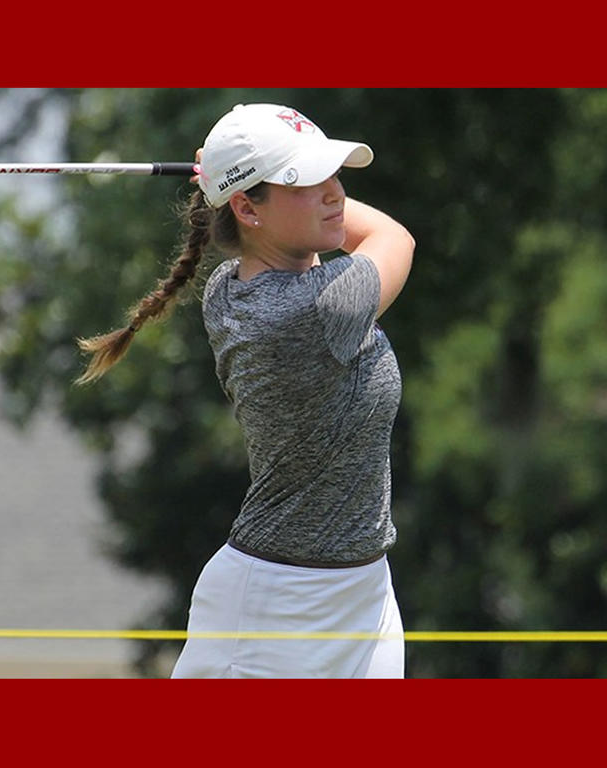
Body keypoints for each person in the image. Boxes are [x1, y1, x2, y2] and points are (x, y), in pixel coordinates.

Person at [76, 103, 414, 678]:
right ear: (245, 209)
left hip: (366, 594)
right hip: (276, 607)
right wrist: (230, 179)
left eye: (333, 174)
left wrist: (239, 181)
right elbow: (393, 236)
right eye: (305, 181)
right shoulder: (312, 308)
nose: (334, 192)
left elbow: (318, 228)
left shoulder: (229, 289)